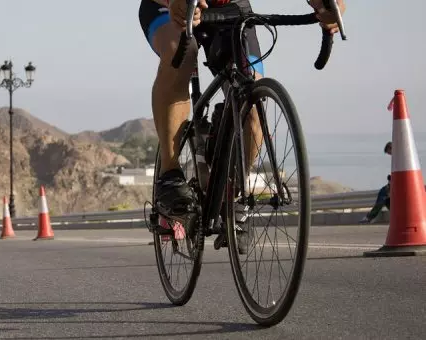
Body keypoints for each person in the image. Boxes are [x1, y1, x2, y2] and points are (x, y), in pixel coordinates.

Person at [138, 0, 346, 254]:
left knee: (253, 98)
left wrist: (328, 6)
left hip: (231, 7)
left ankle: (234, 196)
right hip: (169, 6)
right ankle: (169, 176)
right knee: (181, 54)